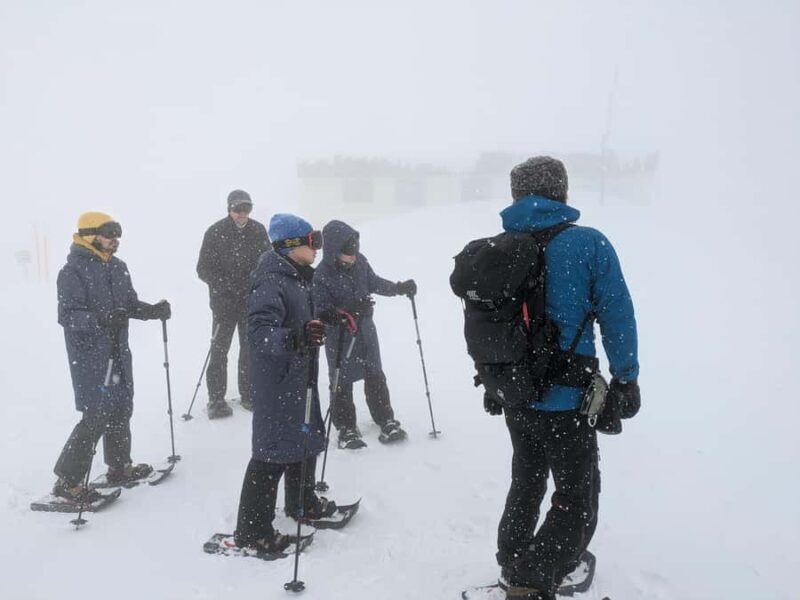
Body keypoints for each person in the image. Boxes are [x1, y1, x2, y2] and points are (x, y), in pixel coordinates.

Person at [490, 157, 641, 600]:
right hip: (567, 400)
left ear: (517, 195)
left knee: (527, 477)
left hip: (516, 394)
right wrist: (626, 378)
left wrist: (498, 381)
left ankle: (514, 557)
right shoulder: (587, 243)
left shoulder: (500, 247)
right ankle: (535, 578)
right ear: (562, 192)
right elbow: (617, 316)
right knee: (577, 495)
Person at [233, 213, 337, 552]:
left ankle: (301, 503)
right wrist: (296, 337)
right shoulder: (271, 280)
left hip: (299, 375)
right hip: (278, 381)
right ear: (291, 245)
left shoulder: (298, 277)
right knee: (272, 453)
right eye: (313, 241)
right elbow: (258, 333)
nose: (317, 248)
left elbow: (301, 317)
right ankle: (252, 533)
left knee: (303, 441)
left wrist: (326, 317)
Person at [52, 212, 171, 502]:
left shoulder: (118, 267)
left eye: (117, 234)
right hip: (90, 355)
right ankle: (67, 481)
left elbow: (128, 305)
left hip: (118, 351)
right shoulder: (73, 271)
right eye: (108, 234)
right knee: (96, 414)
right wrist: (101, 319)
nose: (115, 240)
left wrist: (151, 311)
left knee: (121, 407)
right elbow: (67, 315)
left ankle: (119, 467)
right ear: (89, 235)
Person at [313, 220, 416, 449]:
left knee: (374, 374)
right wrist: (348, 311)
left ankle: (386, 419)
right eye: (348, 253)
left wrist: (398, 288)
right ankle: (346, 427)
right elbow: (321, 311)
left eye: (355, 251)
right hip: (340, 336)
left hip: (366, 332)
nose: (353, 256)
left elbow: (374, 283)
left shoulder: (360, 263)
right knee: (341, 380)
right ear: (334, 250)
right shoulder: (322, 274)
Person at [197, 189, 270, 418]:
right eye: (237, 208)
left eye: (246, 208)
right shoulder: (215, 232)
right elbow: (203, 268)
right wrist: (225, 286)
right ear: (229, 209)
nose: (242, 213)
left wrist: (255, 284)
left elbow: (267, 262)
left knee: (250, 349)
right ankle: (216, 399)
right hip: (224, 303)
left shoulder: (258, 231)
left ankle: (249, 393)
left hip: (250, 301)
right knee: (220, 350)